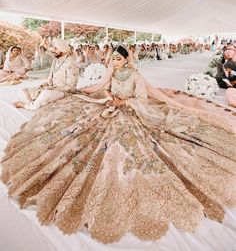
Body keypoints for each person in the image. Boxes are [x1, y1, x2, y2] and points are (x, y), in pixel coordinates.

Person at [1, 44, 236, 245]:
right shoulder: (112, 73)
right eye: (112, 58)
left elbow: (142, 99)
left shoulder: (135, 76)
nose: (114, 61)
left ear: (126, 58)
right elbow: (103, 86)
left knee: (133, 145)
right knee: (74, 132)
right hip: (109, 106)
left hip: (130, 111)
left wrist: (124, 101)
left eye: (118, 58)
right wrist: (94, 93)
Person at [13, 38, 79, 110]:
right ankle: (38, 101)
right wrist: (44, 85)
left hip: (63, 92)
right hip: (50, 89)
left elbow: (71, 88)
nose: (53, 50)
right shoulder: (56, 60)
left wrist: (52, 88)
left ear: (62, 48)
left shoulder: (71, 63)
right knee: (22, 91)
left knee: (45, 94)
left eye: (56, 48)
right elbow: (52, 79)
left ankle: (29, 106)